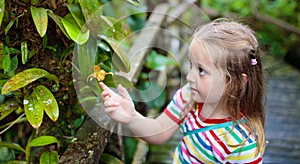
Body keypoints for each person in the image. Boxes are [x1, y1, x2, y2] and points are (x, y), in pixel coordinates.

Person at [100, 19, 266, 163]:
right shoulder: (189, 97)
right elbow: (159, 130)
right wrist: (131, 117)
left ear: (236, 82)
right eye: (191, 65)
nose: (190, 77)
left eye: (201, 70)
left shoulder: (241, 146)